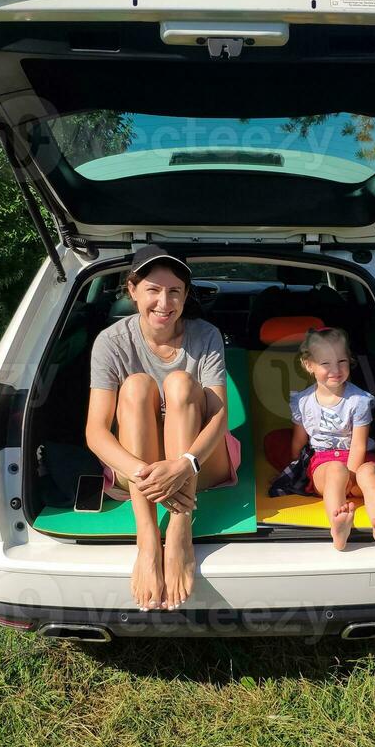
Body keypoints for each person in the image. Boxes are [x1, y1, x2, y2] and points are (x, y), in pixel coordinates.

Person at [85, 246, 241, 612]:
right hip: (139, 475)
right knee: (137, 386)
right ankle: (148, 540)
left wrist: (184, 464)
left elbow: (219, 417)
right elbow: (95, 431)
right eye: (153, 289)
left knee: (181, 384)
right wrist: (146, 474)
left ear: (186, 295)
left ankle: (179, 529)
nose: (164, 302)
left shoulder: (206, 336)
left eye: (174, 291)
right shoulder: (111, 342)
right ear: (132, 289)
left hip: (200, 464)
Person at [282, 327, 375, 553]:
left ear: (350, 361)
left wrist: (353, 477)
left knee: (370, 473)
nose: (336, 369)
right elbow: (299, 440)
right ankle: (339, 526)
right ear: (309, 365)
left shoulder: (359, 400)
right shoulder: (303, 402)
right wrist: (292, 465)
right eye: (326, 364)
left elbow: (359, 444)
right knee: (335, 470)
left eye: (342, 361)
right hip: (325, 465)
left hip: (359, 460)